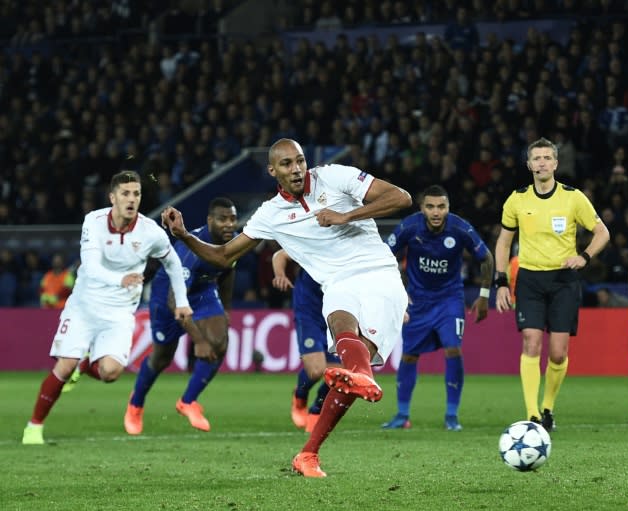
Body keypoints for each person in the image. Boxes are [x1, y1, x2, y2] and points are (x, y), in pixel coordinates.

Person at [161, 138, 410, 477]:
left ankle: (319, 437)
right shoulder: (270, 214)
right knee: (341, 326)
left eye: (300, 161)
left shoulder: (335, 176)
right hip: (336, 284)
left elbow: (401, 197)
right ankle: (331, 422)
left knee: (356, 364)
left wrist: (346, 216)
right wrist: (185, 235)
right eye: (287, 164)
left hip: (379, 274)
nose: (296, 169)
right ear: (273, 170)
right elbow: (222, 255)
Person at [22, 170, 192, 445]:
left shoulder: (150, 232)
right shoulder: (94, 221)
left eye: (136, 193)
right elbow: (89, 267)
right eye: (125, 193)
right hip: (85, 305)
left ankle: (84, 364)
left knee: (111, 373)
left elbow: (173, 263)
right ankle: (34, 427)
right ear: (112, 197)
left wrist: (182, 302)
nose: (131, 199)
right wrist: (120, 279)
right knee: (64, 367)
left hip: (120, 311)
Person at [494, 137, 610, 432]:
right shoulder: (517, 199)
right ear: (529, 164)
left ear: (556, 164)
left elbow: (602, 232)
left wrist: (584, 257)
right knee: (531, 342)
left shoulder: (573, 198)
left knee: (558, 352)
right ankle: (532, 415)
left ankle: (548, 408)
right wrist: (502, 282)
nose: (542, 162)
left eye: (548, 158)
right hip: (530, 279)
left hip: (563, 281)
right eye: (537, 158)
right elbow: (504, 242)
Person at [381, 184, 493, 431]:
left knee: (453, 350)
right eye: (430, 206)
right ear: (422, 208)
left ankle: (452, 416)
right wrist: (398, 291)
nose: (436, 212)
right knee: (409, 355)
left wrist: (484, 295)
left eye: (441, 206)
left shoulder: (459, 227)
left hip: (449, 299)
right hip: (417, 301)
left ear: (448, 208)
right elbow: (384, 255)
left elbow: (486, 257)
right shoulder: (410, 226)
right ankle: (402, 415)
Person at [124, 197, 238, 435]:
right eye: (222, 219)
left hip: (204, 291)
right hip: (169, 298)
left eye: (233, 219)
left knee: (220, 343)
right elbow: (175, 300)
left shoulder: (233, 243)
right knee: (162, 358)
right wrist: (200, 341)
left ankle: (187, 401)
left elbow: (228, 270)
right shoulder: (191, 250)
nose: (229, 224)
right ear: (210, 221)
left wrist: (225, 310)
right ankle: (135, 405)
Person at [272, 249, 339, 434]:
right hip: (308, 311)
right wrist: (280, 275)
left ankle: (316, 410)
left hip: (337, 313)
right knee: (316, 370)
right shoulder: (312, 241)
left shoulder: (350, 247)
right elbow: (280, 255)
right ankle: (300, 396)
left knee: (338, 374)